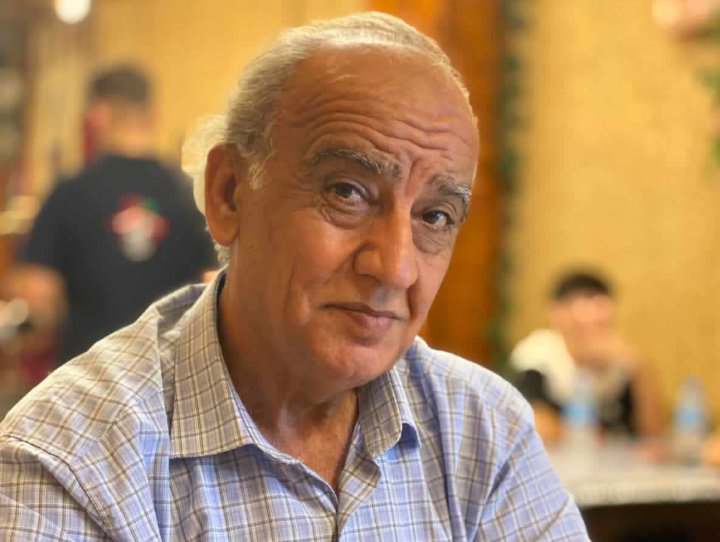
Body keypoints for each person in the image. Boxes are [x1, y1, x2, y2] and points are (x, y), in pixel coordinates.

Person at [0, 13, 588, 540]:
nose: (395, 267)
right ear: (229, 194)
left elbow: (38, 297)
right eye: (347, 192)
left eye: (435, 217)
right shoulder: (72, 459)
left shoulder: (483, 432)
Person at [6, 65, 217, 363]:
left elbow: (38, 294)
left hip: (88, 373)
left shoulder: (70, 193)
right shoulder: (190, 195)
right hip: (168, 372)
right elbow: (214, 284)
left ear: (98, 115)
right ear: (152, 115)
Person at [511, 270, 663, 445]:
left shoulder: (622, 365)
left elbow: (654, 435)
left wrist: (640, 370)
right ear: (557, 314)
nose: (593, 319)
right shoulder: (538, 355)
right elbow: (535, 425)